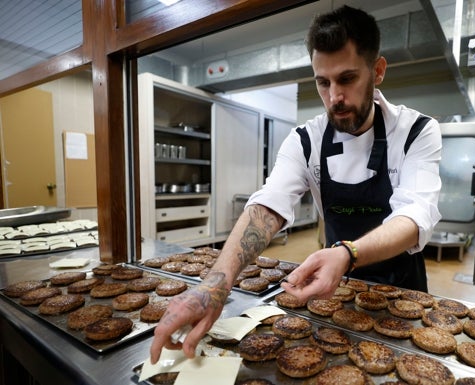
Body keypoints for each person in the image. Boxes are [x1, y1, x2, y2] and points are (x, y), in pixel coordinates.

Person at [150, 4, 441, 364]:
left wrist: (347, 253)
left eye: (347, 79)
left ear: (377, 71)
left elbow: (415, 217)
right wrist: (214, 285)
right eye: (323, 82)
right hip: (335, 289)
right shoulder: (306, 140)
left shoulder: (416, 132)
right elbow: (268, 207)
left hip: (403, 293)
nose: (334, 97)